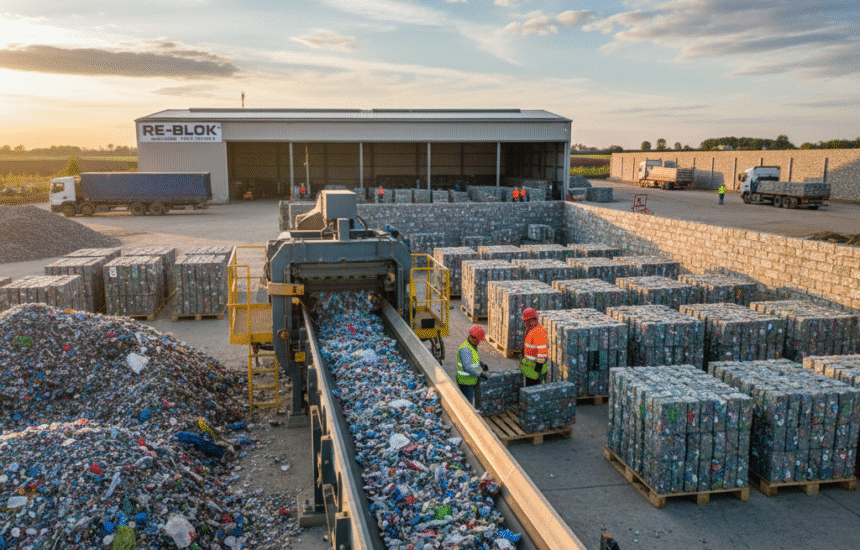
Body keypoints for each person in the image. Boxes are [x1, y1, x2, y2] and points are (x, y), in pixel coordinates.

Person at [456, 325, 488, 404]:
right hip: (465, 382)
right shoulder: (465, 350)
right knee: (467, 404)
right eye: (478, 340)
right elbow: (467, 368)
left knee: (469, 401)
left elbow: (473, 361)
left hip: (471, 381)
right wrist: (479, 374)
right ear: (472, 338)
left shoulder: (472, 345)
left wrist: (481, 365)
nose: (479, 342)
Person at [519, 308, 547, 386]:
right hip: (530, 368)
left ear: (530, 320)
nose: (524, 323)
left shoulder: (538, 332)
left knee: (534, 388)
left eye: (525, 321)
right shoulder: (530, 330)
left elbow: (542, 352)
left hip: (536, 369)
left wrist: (538, 370)